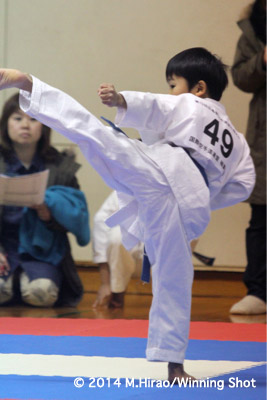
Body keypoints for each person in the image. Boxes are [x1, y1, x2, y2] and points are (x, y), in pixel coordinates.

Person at [0, 47, 255, 382]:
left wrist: (121, 100)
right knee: (175, 282)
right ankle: (174, 365)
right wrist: (206, 195)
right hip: (185, 202)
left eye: (174, 84)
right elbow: (244, 184)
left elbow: (156, 106)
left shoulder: (190, 104)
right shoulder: (236, 141)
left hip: (159, 170)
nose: (171, 92)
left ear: (199, 88)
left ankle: (29, 84)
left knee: (93, 133)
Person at [0, 93, 90, 307]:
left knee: (42, 293)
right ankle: (11, 284)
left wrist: (50, 215)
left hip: (43, 252)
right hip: (5, 246)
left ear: (44, 126)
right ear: (5, 124)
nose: (25, 125)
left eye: (33, 119)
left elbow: (75, 218)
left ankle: (19, 284)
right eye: (17, 118)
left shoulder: (60, 167)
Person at [230, 0, 266, 315]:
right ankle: (259, 291)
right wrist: (263, 60)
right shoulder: (254, 24)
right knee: (261, 217)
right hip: (264, 133)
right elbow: (239, 76)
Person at [92, 190, 143, 308]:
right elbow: (101, 221)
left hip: (162, 261)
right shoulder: (126, 187)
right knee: (117, 237)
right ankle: (117, 293)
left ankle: (170, 301)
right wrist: (105, 283)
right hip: (130, 259)